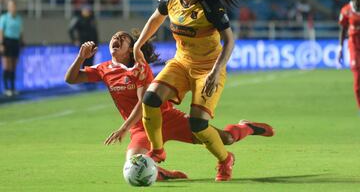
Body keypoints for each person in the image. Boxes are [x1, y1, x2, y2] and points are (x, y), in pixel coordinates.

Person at [65, 30, 274, 181]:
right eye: (114, 38)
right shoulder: (104, 69)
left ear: (131, 50)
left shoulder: (140, 68)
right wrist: (80, 57)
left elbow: (142, 103)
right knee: (133, 167)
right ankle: (161, 173)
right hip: (141, 129)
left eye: (123, 38)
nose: (116, 39)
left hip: (166, 118)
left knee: (225, 139)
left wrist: (123, 128)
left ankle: (245, 126)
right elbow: (71, 79)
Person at [133, 0, 273, 181]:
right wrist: (138, 44)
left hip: (208, 70)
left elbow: (229, 40)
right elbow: (156, 18)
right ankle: (157, 150)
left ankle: (225, 159)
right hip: (180, 63)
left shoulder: (210, 4)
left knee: (198, 125)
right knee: (150, 99)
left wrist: (216, 72)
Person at [338, 0, 360, 109]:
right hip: (354, 47)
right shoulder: (346, 10)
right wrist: (340, 48)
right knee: (357, 81)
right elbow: (342, 29)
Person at [0, 0, 24, 96]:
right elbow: (1, 31)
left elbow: (21, 32)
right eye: (11, 6)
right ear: (8, 8)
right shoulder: (4, 18)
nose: (13, 8)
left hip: (15, 42)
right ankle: (6, 88)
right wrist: (1, 44)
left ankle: (13, 88)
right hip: (7, 42)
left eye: (14, 6)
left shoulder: (19, 18)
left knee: (14, 67)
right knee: (7, 66)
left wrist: (21, 43)